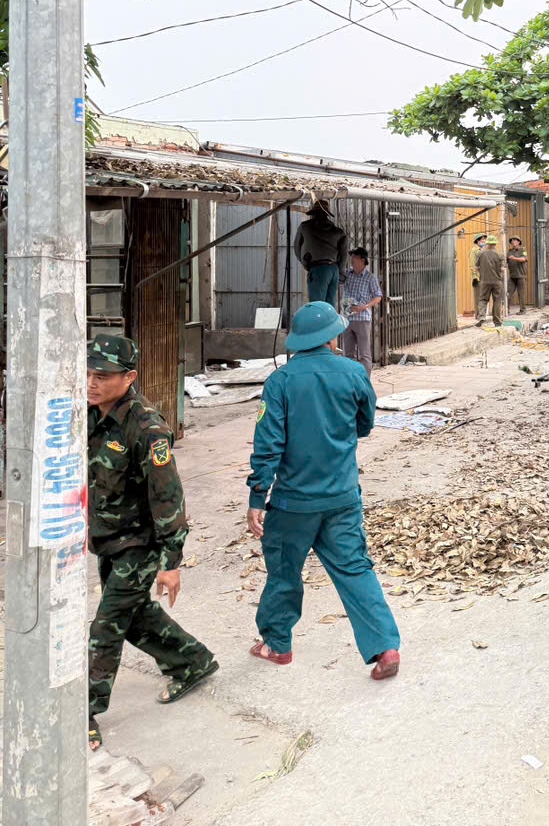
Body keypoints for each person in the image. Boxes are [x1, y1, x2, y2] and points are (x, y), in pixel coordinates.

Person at [246, 301, 400, 679]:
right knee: (355, 569)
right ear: (332, 336)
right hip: (343, 496)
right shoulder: (353, 372)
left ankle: (277, 644)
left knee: (284, 571)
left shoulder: (280, 381)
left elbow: (268, 445)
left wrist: (256, 497)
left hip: (293, 502)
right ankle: (385, 648)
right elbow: (365, 425)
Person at [87, 335, 218, 751]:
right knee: (136, 618)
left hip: (138, 545)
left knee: (106, 626)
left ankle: (82, 713)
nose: (91, 382)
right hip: (107, 539)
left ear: (130, 377)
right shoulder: (91, 414)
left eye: (102, 376)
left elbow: (169, 501)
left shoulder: (147, 429)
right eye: (88, 373)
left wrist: (171, 562)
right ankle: (193, 660)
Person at [294, 200, 348, 306]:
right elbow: (344, 255)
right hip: (334, 270)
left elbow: (297, 248)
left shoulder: (305, 227)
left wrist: (305, 262)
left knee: (317, 305)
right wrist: (340, 271)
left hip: (318, 269)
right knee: (330, 306)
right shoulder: (338, 231)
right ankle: (329, 322)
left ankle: (319, 323)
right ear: (327, 214)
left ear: (313, 213)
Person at [342, 246, 383, 377]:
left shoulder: (370, 278)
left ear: (362, 260)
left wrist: (365, 306)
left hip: (362, 319)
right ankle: (351, 381)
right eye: (352, 257)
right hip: (348, 318)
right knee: (348, 353)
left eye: (354, 257)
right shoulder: (347, 273)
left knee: (364, 353)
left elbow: (378, 297)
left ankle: (365, 382)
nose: (352, 260)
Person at [476, 234, 504, 326]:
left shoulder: (481, 253)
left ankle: (482, 317)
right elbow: (502, 269)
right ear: (495, 244)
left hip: (484, 281)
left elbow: (477, 267)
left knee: (483, 299)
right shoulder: (500, 254)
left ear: (487, 244)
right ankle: (497, 322)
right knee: (497, 301)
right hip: (497, 281)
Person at [507, 236, 528, 311]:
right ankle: (507, 309)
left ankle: (522, 310)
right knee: (508, 294)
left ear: (519, 242)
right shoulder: (509, 251)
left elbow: (524, 259)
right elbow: (505, 261)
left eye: (515, 240)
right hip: (512, 276)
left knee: (521, 294)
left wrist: (514, 258)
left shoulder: (523, 250)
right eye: (512, 241)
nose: (513, 242)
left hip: (521, 276)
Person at [469, 234, 487, 320]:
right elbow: (472, 265)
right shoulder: (474, 250)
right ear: (477, 241)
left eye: (484, 239)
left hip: (484, 277)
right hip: (478, 277)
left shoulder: (483, 250)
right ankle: (478, 315)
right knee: (478, 297)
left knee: (483, 297)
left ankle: (482, 315)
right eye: (482, 239)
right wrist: (474, 277)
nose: (484, 241)